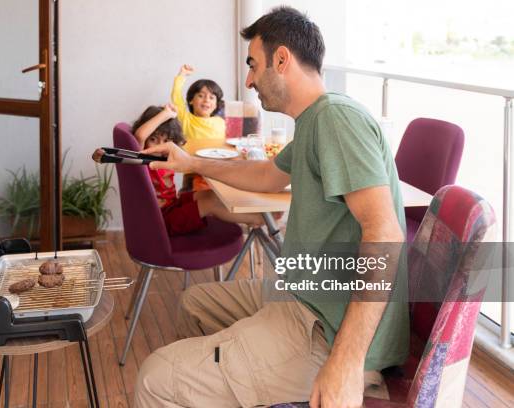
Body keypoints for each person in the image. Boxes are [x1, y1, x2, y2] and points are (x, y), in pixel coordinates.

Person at [133, 6, 409, 408]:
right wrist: (190, 162)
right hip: (300, 294)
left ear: (282, 60)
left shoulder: (338, 119)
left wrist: (346, 362)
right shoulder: (316, 119)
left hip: (327, 327)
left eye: (253, 65)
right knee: (193, 304)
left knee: (155, 379)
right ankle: (230, 378)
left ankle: (231, 373)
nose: (248, 79)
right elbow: (267, 176)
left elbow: (385, 235)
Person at [92, 104, 264, 236]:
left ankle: (253, 218)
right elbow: (140, 135)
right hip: (161, 221)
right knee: (209, 204)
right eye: (154, 139)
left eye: (166, 141)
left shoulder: (167, 157)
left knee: (209, 194)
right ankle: (261, 220)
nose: (160, 146)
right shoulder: (144, 158)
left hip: (171, 206)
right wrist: (166, 113)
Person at [171, 64, 226, 141]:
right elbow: (176, 96)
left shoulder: (221, 122)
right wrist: (182, 74)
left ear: (216, 105)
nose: (206, 100)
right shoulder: (186, 119)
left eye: (211, 97)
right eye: (201, 96)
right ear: (191, 100)